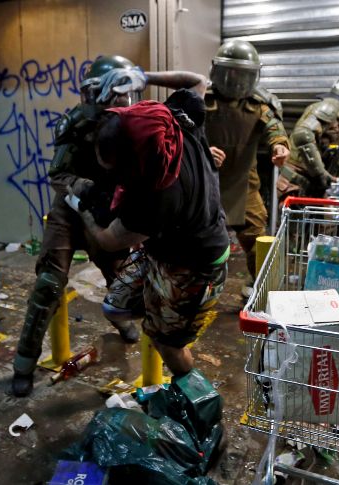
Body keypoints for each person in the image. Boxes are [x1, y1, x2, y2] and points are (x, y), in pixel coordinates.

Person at [11, 55, 208, 397]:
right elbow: (58, 175)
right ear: (95, 93)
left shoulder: (139, 119)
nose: (123, 101)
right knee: (49, 283)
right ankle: (24, 363)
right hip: (72, 209)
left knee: (122, 282)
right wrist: (86, 193)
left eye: (127, 93)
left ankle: (121, 322)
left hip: (109, 212)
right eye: (116, 93)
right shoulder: (77, 123)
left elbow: (192, 92)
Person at [73, 78, 229, 377]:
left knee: (167, 343)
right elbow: (197, 81)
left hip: (193, 266)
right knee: (115, 307)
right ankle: (163, 318)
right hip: (163, 248)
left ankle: (200, 407)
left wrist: (83, 211)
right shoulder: (176, 118)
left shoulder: (156, 195)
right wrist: (144, 75)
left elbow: (109, 241)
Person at [204, 39, 290, 295]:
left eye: (243, 75)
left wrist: (279, 146)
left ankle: (261, 288)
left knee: (257, 240)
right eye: (230, 73)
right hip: (203, 184)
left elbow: (274, 127)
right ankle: (190, 289)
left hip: (243, 185)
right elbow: (180, 134)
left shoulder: (259, 104)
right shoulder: (199, 100)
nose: (235, 81)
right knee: (193, 241)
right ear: (216, 71)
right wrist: (202, 152)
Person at [276, 73, 339, 201]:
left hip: (308, 191)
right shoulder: (330, 107)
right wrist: (321, 174)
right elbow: (303, 135)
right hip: (295, 189)